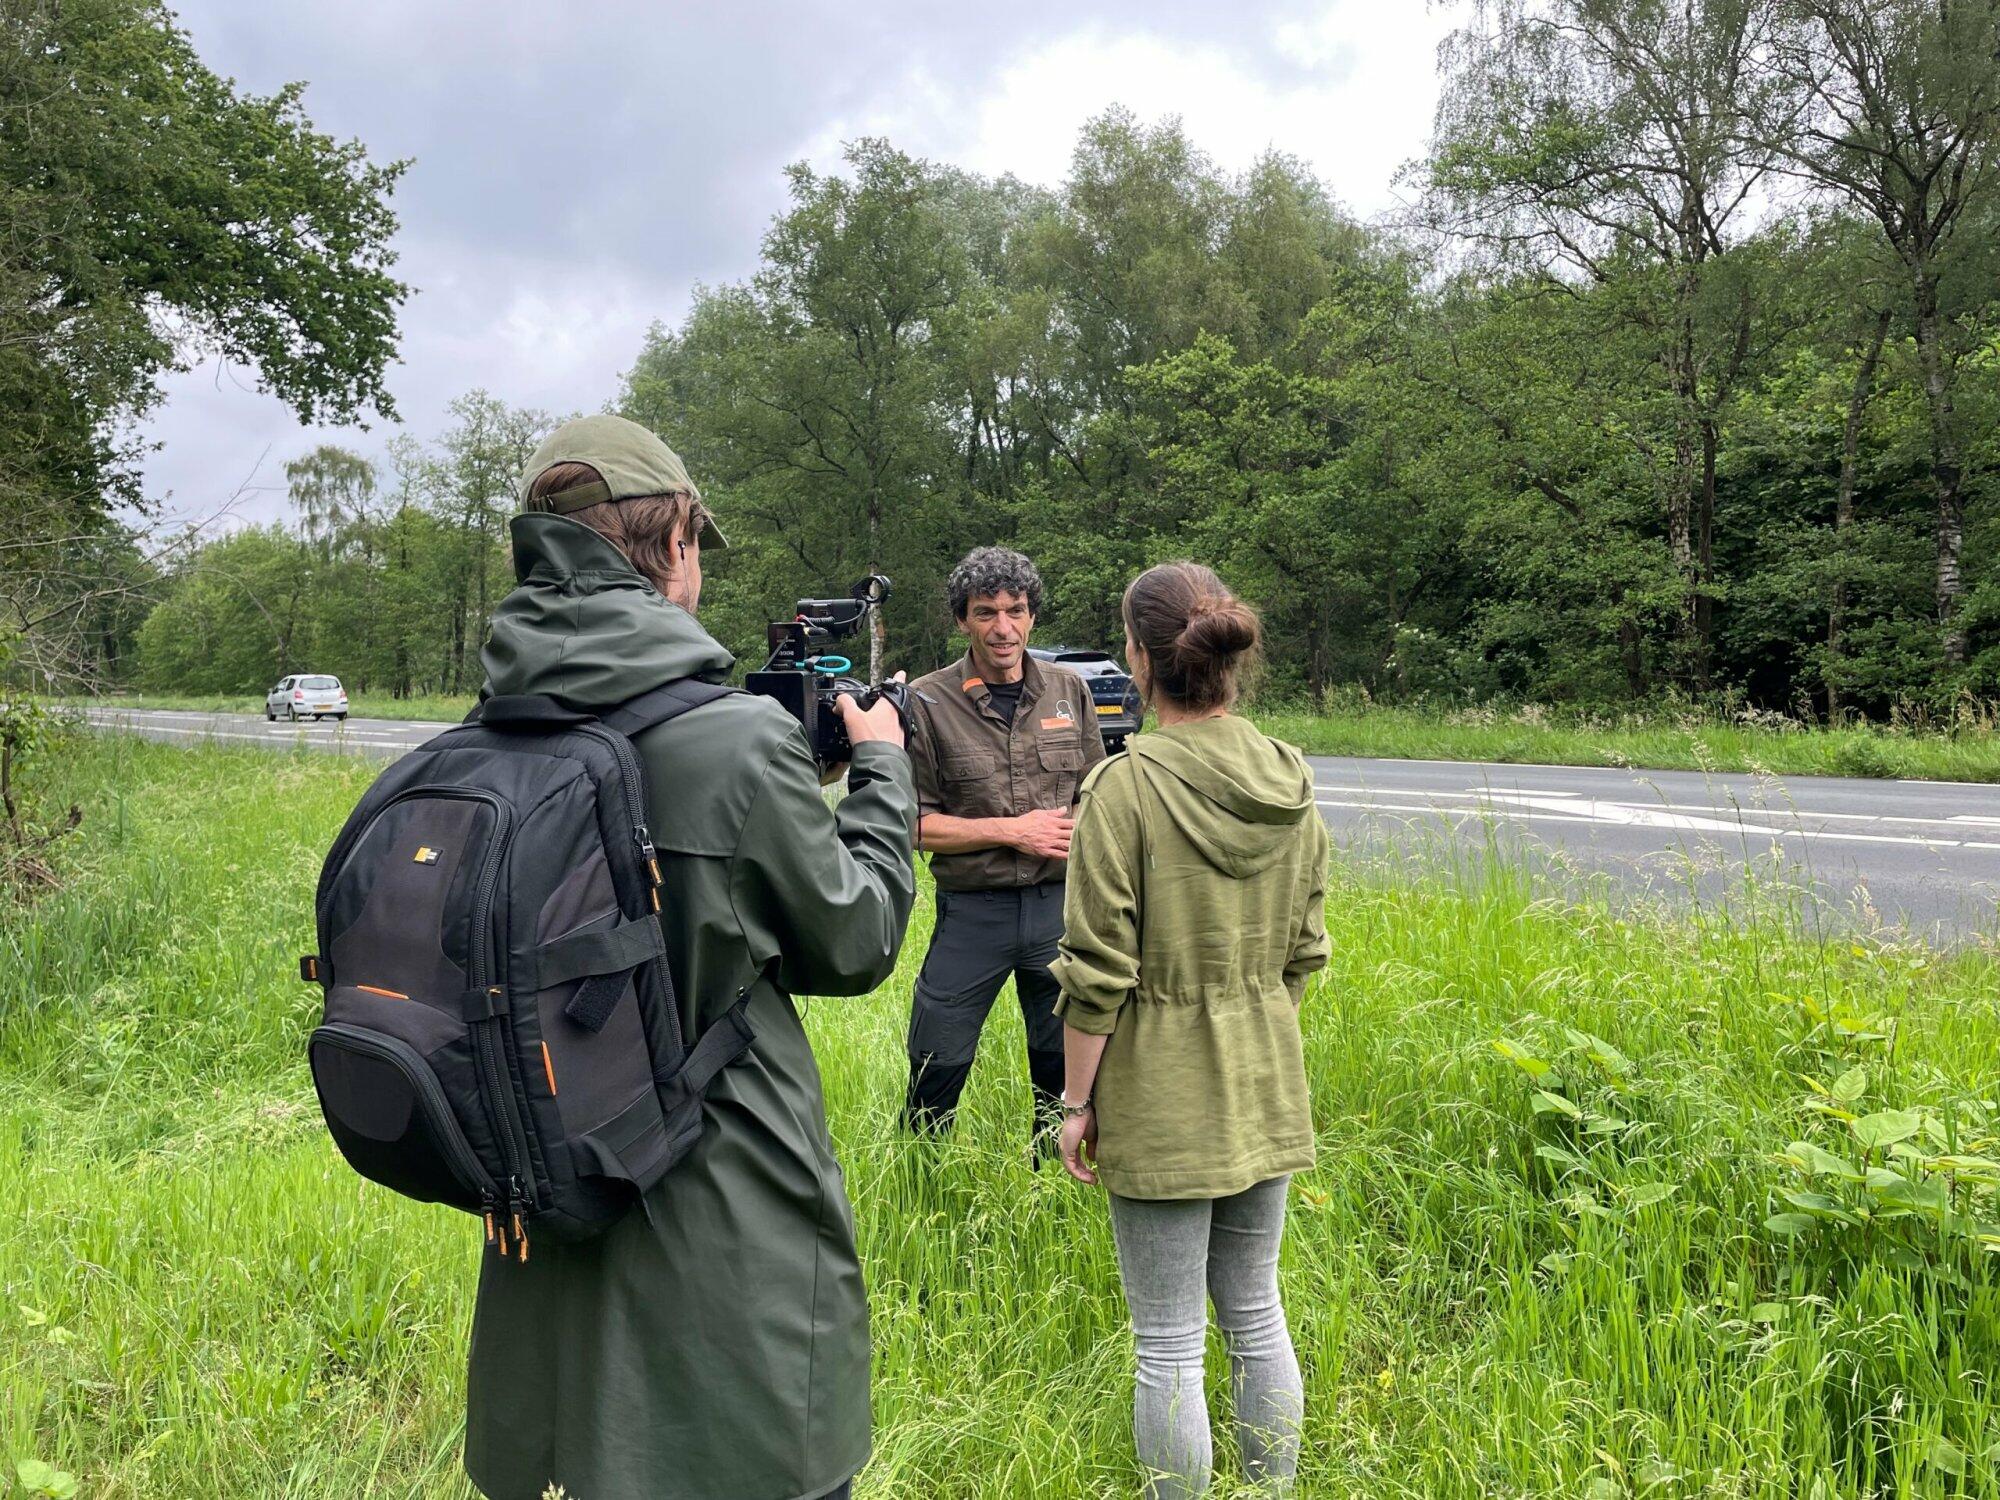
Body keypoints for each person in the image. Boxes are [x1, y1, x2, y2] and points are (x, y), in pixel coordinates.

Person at [462, 414, 915, 1500]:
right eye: (697, 544)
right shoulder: (731, 739)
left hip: (546, 1197)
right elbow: (851, 941)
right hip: (724, 1212)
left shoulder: (491, 729)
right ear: (671, 547)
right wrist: (882, 778)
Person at [1050, 562, 1331, 1500]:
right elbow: (1304, 952)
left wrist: (1075, 1105)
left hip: (1160, 1087)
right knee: (1256, 1312)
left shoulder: (1122, 790)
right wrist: (1252, 1026)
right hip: (1264, 1075)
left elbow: (1098, 976)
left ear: (1137, 658)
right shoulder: (1290, 778)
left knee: (1168, 1344)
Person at [902, 546, 1106, 1150]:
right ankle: (920, 1175)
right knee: (936, 1055)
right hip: (973, 914)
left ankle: (1053, 1183)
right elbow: (912, 824)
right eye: (986, 612)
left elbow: (1098, 794)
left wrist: (1075, 827)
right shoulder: (927, 701)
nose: (1003, 628)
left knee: (1060, 1063)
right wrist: (1012, 830)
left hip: (1058, 909)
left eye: (1015, 611)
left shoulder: (1069, 691)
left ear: (1032, 617)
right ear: (962, 619)